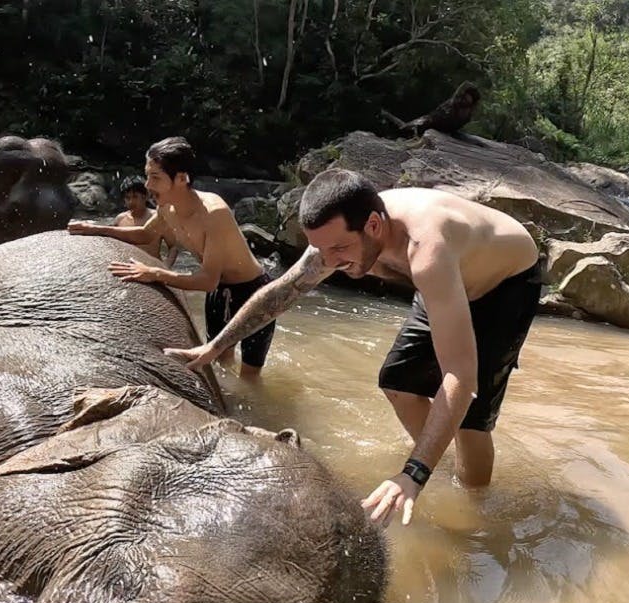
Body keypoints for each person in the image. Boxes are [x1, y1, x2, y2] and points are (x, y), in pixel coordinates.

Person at [165, 168, 542, 527]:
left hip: (505, 284)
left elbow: (460, 374)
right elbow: (281, 293)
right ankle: (437, 456)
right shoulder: (337, 241)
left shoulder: (426, 252)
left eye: (339, 249)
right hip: (449, 281)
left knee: (472, 416)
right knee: (397, 382)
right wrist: (215, 346)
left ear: (374, 226)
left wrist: (412, 474)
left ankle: (477, 506)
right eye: (321, 250)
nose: (331, 263)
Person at [68, 137, 274, 378]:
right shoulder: (167, 208)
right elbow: (145, 234)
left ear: (181, 178)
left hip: (253, 293)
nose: (148, 185)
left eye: (155, 177)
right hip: (220, 293)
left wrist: (155, 273)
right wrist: (96, 229)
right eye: (147, 176)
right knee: (219, 364)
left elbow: (207, 280)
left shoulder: (213, 212)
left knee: (249, 379)